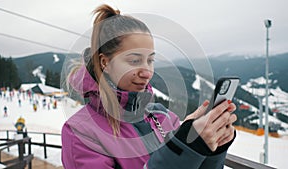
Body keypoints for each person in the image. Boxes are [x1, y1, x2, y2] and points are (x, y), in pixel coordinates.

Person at [61, 4, 237, 169]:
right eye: (134, 60)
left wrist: (210, 148)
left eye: (150, 60)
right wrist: (183, 146)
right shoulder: (81, 132)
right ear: (105, 62)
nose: (147, 72)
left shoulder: (163, 117)